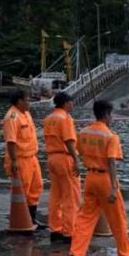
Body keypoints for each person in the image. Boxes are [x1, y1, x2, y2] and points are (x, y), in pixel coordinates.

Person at [67, 100, 129, 256]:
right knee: (118, 219)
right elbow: (112, 162)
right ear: (106, 115)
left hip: (90, 178)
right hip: (106, 179)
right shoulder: (111, 136)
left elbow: (79, 152)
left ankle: (76, 254)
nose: (112, 118)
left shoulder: (84, 132)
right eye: (111, 115)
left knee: (85, 218)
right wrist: (113, 187)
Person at [44, 92, 81, 243]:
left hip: (52, 158)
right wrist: (76, 159)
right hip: (65, 158)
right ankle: (69, 231)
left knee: (56, 195)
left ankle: (55, 229)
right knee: (71, 196)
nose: (73, 104)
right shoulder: (65, 118)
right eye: (71, 102)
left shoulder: (49, 119)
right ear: (66, 103)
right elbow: (69, 141)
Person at [3, 91, 44, 228]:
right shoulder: (12, 117)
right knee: (23, 191)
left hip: (32, 157)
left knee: (36, 188)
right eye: (27, 99)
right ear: (19, 101)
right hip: (20, 159)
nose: (29, 102)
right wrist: (14, 160)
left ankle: (32, 219)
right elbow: (11, 141)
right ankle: (21, 221)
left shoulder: (26, 114)